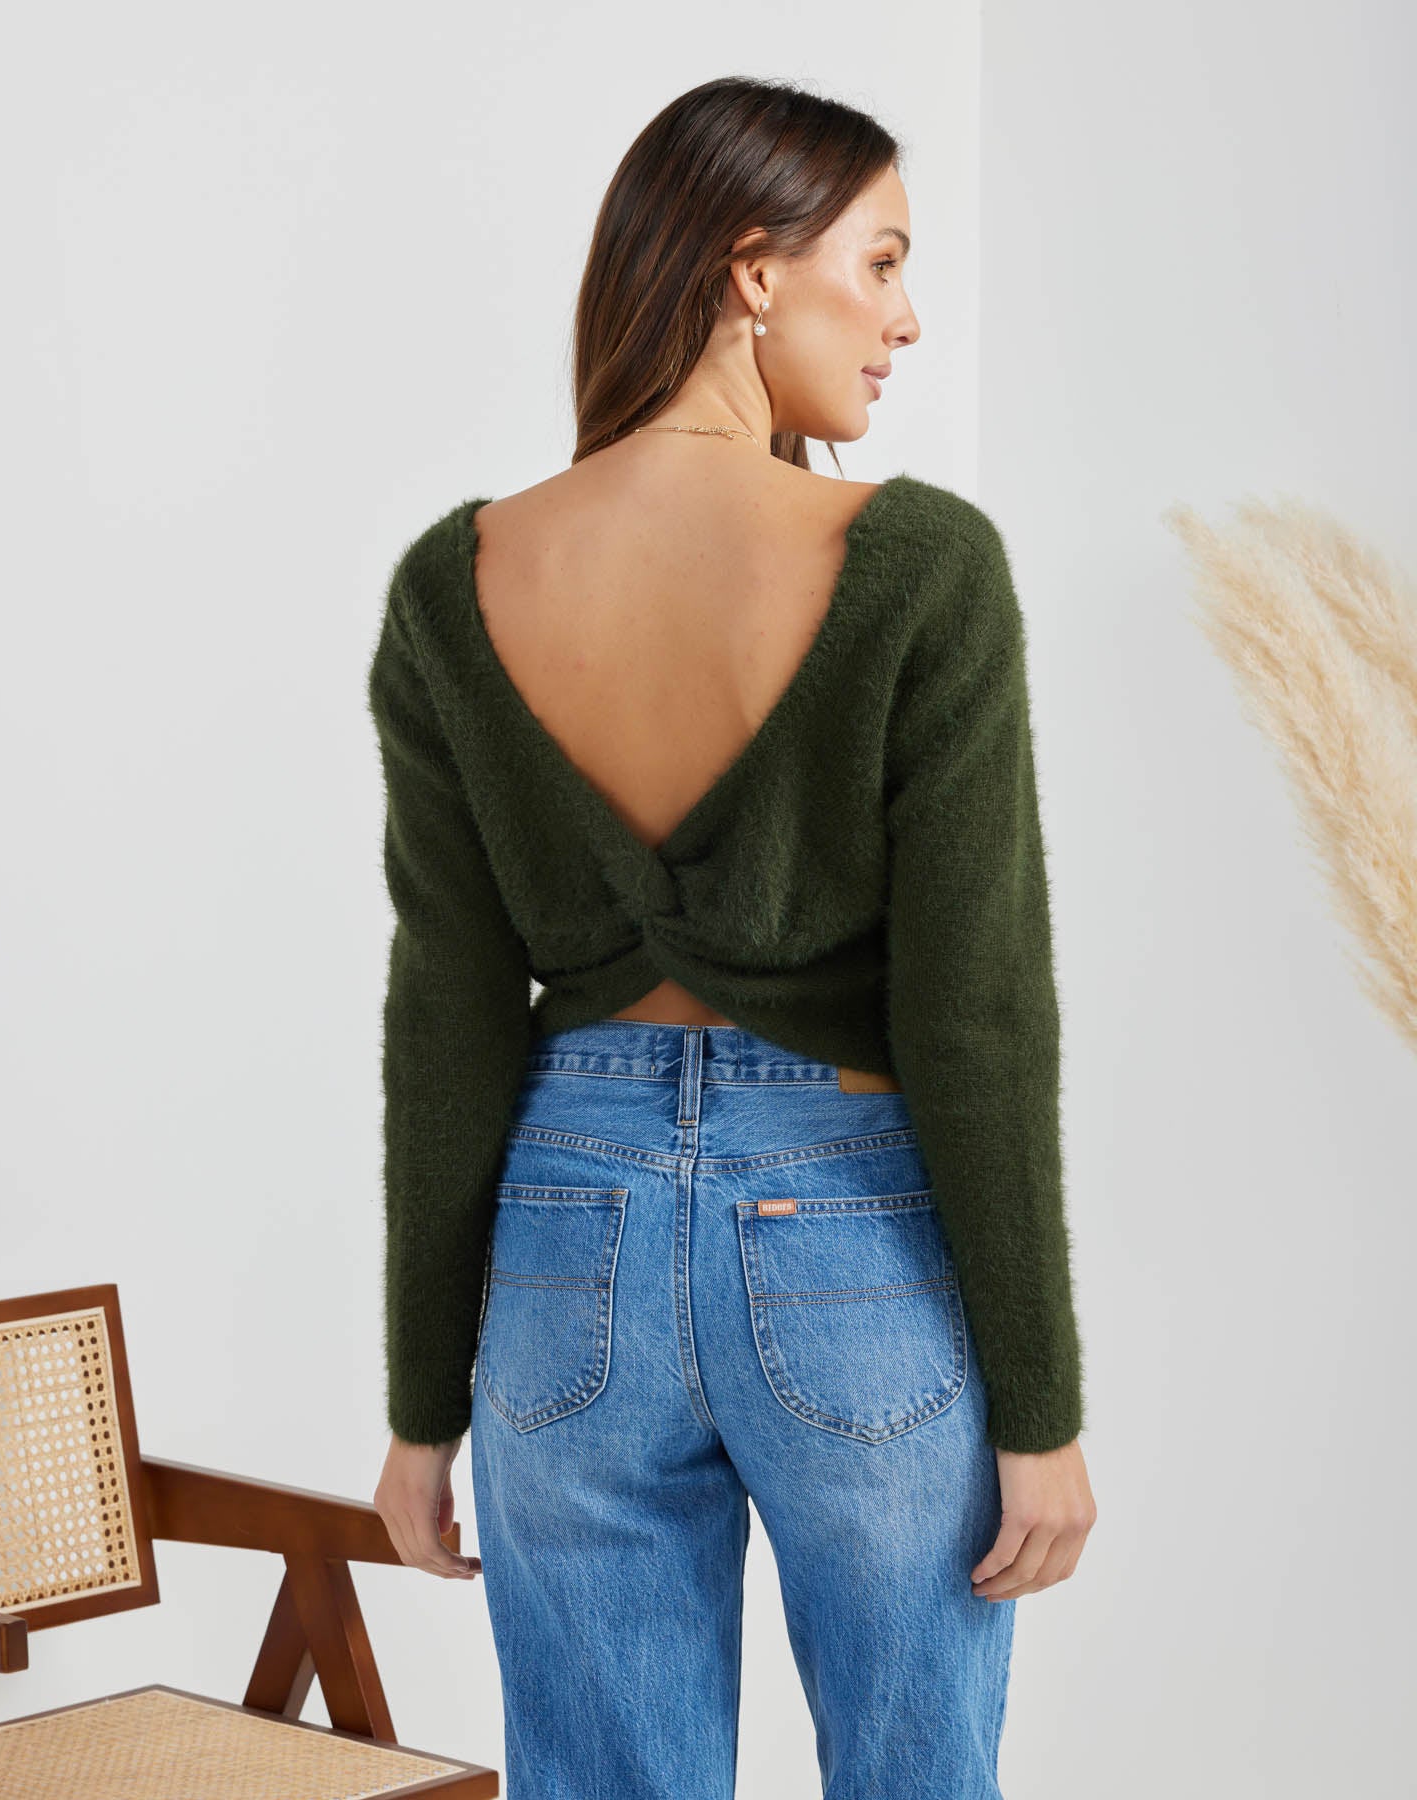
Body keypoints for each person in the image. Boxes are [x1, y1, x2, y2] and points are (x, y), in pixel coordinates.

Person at [370, 74, 1096, 1800]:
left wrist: (420, 1408)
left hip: (564, 1245)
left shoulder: (455, 583)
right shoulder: (920, 565)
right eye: (883, 262)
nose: (906, 320)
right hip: (847, 1225)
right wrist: (1041, 1410)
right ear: (755, 271)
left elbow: (447, 1019)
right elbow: (977, 1015)